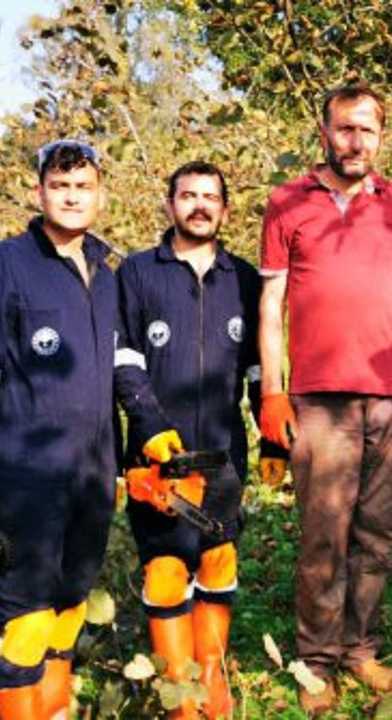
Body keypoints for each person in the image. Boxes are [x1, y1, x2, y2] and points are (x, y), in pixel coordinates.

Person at [257, 84, 392, 714]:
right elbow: (271, 303)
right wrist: (273, 391)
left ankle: (361, 650)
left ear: (381, 137)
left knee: (377, 531)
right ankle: (317, 660)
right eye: (344, 129)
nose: (355, 141)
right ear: (324, 132)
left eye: (367, 130)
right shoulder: (287, 202)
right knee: (323, 532)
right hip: (319, 398)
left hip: (389, 392)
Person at [0, 140, 121, 720]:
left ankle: (57, 710)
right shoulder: (2, 266)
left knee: (69, 606)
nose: (72, 197)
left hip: (93, 474)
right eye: (60, 186)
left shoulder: (106, 273)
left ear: (100, 195)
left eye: (83, 186)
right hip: (25, 476)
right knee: (26, 616)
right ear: (39, 191)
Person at [115, 161, 285, 719]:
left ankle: (212, 679)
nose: (199, 205)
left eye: (210, 197)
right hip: (157, 457)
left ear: (226, 209)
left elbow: (260, 365)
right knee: (166, 570)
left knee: (217, 558)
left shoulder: (243, 277)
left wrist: (272, 435)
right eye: (188, 196)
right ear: (170, 206)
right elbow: (124, 360)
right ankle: (179, 694)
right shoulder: (138, 273)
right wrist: (147, 424)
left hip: (223, 452)